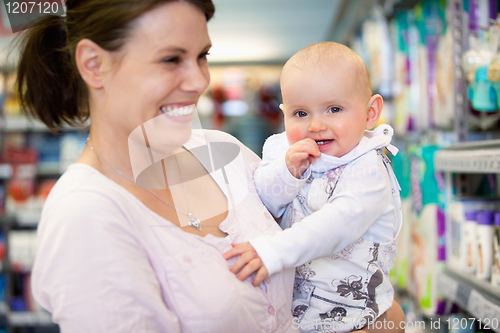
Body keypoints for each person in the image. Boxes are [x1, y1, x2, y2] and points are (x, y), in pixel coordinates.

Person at [15, 1, 405, 331]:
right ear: (94, 64)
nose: (198, 80)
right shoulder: (86, 216)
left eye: (202, 56)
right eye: (171, 59)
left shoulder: (222, 151)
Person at [224, 42, 403, 333]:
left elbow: (336, 224)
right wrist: (287, 172)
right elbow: (263, 204)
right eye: (300, 113)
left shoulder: (367, 167)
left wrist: (272, 252)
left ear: (370, 113)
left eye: (334, 109)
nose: (316, 125)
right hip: (294, 313)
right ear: (284, 113)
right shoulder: (286, 151)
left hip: (352, 315)